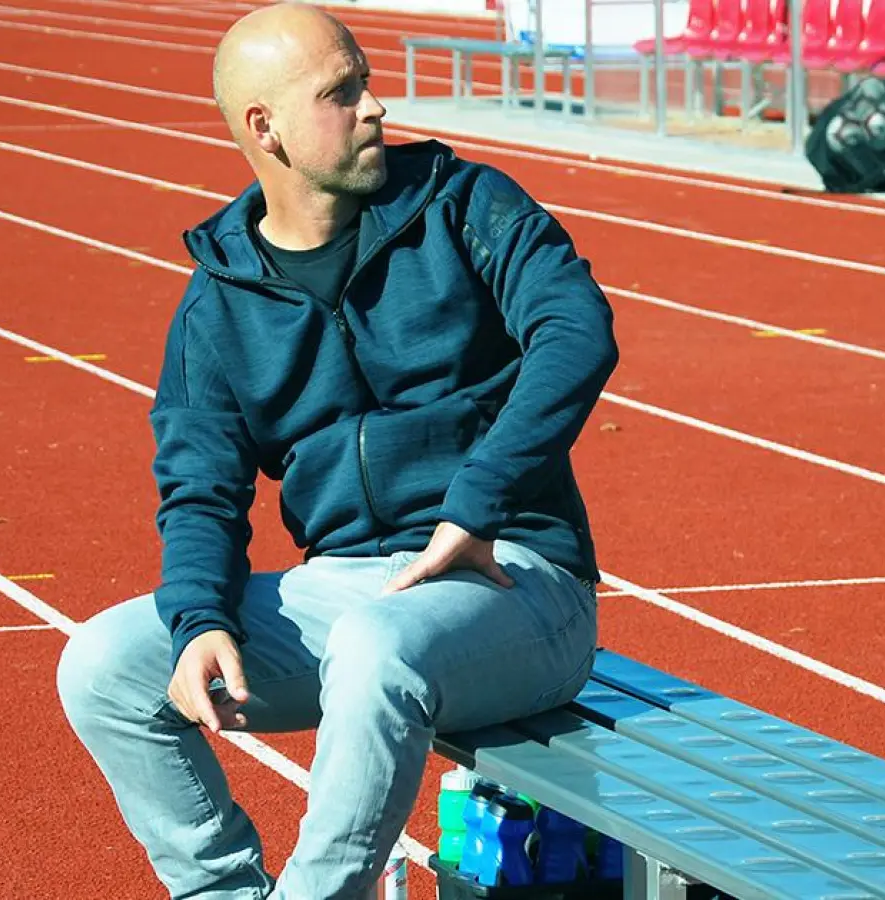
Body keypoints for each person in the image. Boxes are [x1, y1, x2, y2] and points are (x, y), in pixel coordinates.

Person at [55, 3, 619, 897]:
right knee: (104, 666)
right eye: (342, 92)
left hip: (517, 581)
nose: (376, 108)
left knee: (374, 645)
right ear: (264, 127)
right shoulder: (220, 299)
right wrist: (201, 620)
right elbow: (198, 485)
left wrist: (477, 503)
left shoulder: (464, 203)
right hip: (350, 587)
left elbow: (575, 330)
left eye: (366, 83)